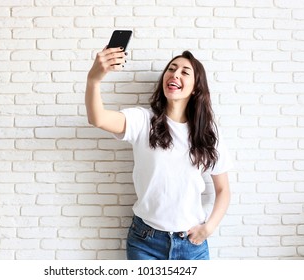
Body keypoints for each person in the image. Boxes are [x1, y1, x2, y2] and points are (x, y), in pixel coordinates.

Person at [85, 46, 232, 260]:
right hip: (146, 242)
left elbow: (223, 190)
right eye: (171, 69)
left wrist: (208, 228)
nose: (175, 74)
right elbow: (97, 118)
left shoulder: (208, 133)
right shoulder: (143, 120)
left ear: (195, 88)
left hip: (191, 244)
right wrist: (94, 79)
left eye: (184, 72)